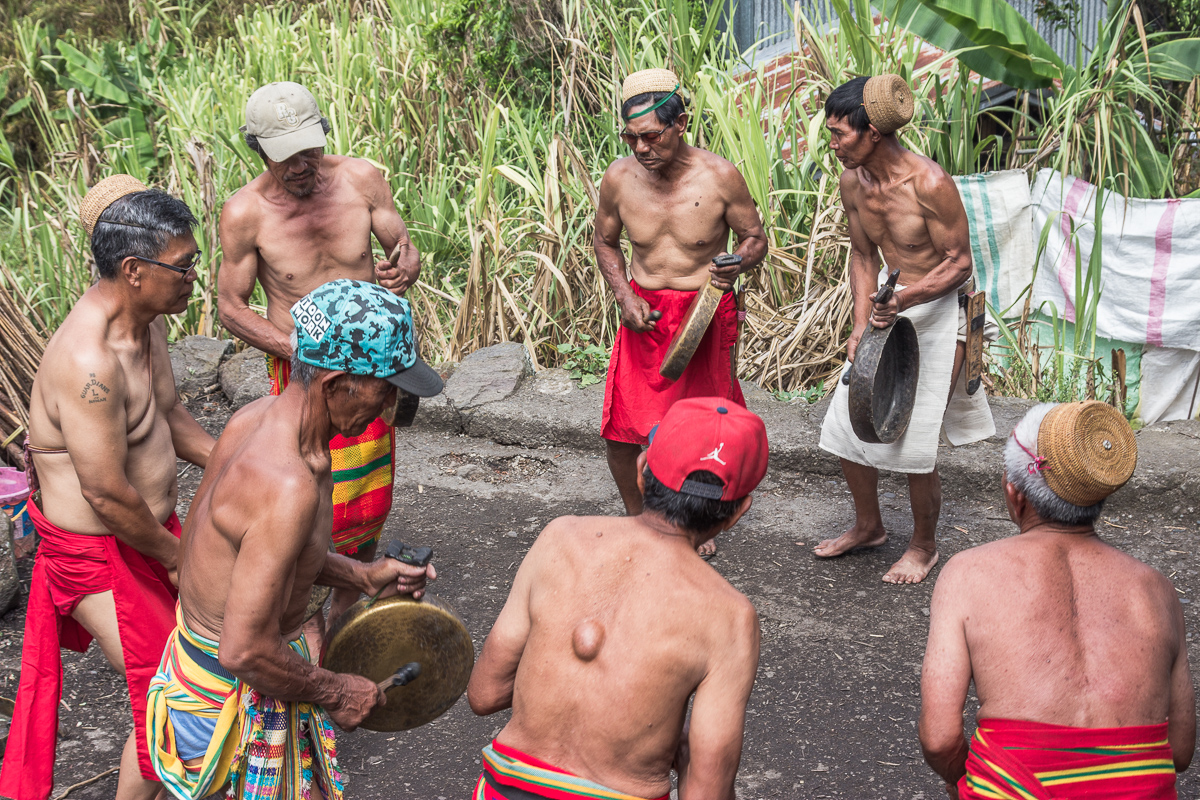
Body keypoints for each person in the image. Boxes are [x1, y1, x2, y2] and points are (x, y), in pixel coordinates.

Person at [146, 280, 442, 799]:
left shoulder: (256, 419)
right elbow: (243, 650)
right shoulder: (288, 486)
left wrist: (362, 575)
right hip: (228, 697)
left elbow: (264, 554)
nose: (391, 403)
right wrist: (337, 689)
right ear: (336, 383)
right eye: (384, 386)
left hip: (194, 666)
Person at [0, 176, 216, 800]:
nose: (192, 278)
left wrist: (237, 459)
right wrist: (178, 558)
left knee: (193, 683)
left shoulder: (149, 323)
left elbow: (169, 418)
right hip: (96, 553)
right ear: (134, 268)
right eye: (182, 267)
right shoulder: (88, 361)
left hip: (153, 535)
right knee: (172, 694)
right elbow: (105, 492)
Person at [467, 396, 766, 800]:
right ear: (737, 512)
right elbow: (706, 792)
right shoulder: (730, 618)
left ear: (642, 472)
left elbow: (484, 694)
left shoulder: (561, 537)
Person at [216, 80, 422, 622]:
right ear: (258, 149)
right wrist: (303, 351)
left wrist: (406, 264)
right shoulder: (244, 213)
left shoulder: (361, 179)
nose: (303, 165)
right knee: (305, 489)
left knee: (367, 498)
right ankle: (295, 606)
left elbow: (402, 246)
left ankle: (349, 612)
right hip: (303, 375)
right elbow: (232, 307)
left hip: (367, 371)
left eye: (310, 149)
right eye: (288, 157)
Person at [919, 401, 1195, 798]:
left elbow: (941, 740)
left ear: (1015, 495)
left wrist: (969, 779)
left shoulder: (967, 574)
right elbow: (1180, 751)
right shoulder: (1157, 590)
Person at [815, 75, 995, 584]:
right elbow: (862, 254)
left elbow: (959, 263)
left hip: (940, 308)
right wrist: (858, 325)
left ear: (872, 131)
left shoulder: (929, 183)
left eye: (839, 134)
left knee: (915, 443)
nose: (832, 145)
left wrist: (905, 300)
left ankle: (923, 545)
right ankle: (869, 527)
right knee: (848, 423)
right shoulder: (853, 180)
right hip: (888, 306)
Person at [593, 67, 767, 557]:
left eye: (650, 136)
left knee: (705, 423)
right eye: (630, 137)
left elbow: (755, 239)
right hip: (644, 313)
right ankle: (638, 517)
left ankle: (693, 525)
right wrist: (624, 297)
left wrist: (737, 262)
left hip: (706, 312)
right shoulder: (619, 178)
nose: (640, 148)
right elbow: (604, 243)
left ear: (681, 123)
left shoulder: (719, 177)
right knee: (623, 427)